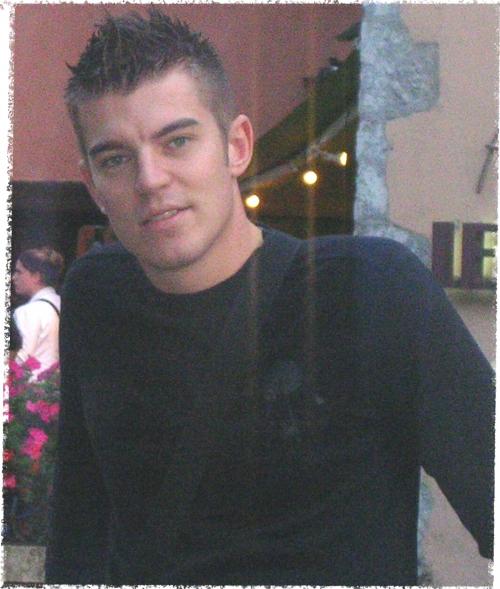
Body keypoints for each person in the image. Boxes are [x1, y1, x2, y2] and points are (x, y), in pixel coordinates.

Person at [45, 10, 494, 585]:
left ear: (236, 146)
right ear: (93, 186)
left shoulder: (370, 292)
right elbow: (80, 528)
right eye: (116, 159)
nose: (150, 179)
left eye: (177, 141)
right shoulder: (99, 297)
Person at [12, 246, 64, 373]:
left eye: (19, 272)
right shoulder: (63, 305)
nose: (13, 277)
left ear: (36, 276)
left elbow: (21, 358)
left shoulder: (27, 312)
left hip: (32, 384)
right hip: (58, 382)